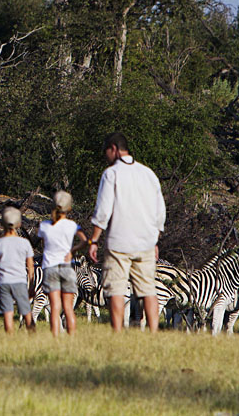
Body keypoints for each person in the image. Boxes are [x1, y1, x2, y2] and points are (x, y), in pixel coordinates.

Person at [87, 132, 166, 332]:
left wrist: (94, 240)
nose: (105, 155)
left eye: (106, 151)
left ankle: (117, 332)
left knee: (116, 289)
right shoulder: (148, 173)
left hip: (119, 242)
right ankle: (154, 332)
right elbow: (160, 211)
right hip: (146, 242)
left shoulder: (111, 174)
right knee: (148, 289)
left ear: (113, 148)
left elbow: (103, 211)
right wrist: (155, 240)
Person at [37, 190, 88, 337]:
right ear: (69, 208)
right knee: (68, 307)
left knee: (54, 307)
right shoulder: (72, 225)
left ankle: (55, 338)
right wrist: (72, 250)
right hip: (67, 267)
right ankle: (71, 338)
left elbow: (43, 243)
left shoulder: (44, 225)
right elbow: (85, 240)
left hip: (50, 267)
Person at [0, 207, 35, 333]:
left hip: (4, 282)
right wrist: (31, 286)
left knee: (8, 314)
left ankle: (10, 338)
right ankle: (33, 336)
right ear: (19, 224)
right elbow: (30, 266)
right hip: (20, 281)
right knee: (26, 312)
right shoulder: (25, 243)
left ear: (2, 223)